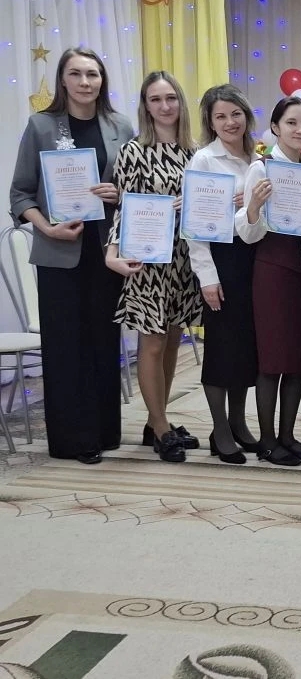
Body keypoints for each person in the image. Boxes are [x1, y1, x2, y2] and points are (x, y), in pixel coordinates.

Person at [9, 47, 134, 464]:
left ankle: (104, 431)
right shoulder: (41, 126)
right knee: (65, 346)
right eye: (76, 74)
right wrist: (46, 228)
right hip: (58, 253)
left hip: (106, 252)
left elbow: (136, 186)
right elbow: (20, 193)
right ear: (62, 80)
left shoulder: (120, 125)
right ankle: (72, 439)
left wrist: (119, 193)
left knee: (103, 342)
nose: (85, 82)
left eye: (92, 74)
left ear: (102, 80)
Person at [105, 71, 204, 463]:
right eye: (155, 99)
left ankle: (154, 421)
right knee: (153, 341)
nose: (165, 106)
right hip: (147, 258)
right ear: (145, 106)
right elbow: (125, 207)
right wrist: (112, 251)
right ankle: (162, 429)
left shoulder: (196, 151)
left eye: (171, 98)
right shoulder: (133, 151)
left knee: (174, 339)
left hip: (185, 259)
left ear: (180, 102)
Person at [238, 96, 301, 466]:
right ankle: (268, 441)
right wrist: (254, 207)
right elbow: (247, 233)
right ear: (275, 127)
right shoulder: (261, 169)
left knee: (298, 357)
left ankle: (288, 435)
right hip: (272, 270)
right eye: (291, 123)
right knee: (273, 358)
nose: (299, 130)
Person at [186, 84, 261, 464]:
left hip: (253, 260)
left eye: (235, 114)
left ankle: (238, 423)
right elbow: (195, 226)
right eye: (221, 116)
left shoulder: (256, 159)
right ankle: (219, 430)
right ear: (210, 123)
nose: (230, 122)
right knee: (220, 349)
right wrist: (207, 277)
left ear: (246, 116)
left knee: (244, 348)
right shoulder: (204, 160)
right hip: (221, 261)